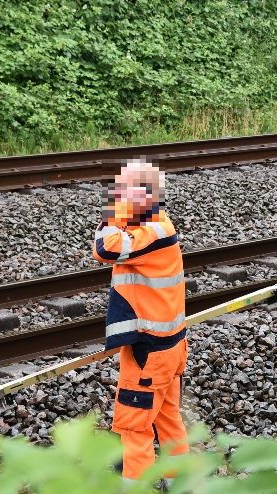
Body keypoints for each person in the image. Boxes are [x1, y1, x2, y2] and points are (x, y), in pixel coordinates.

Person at [92, 159, 188, 481]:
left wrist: (111, 213)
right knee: (167, 418)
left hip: (149, 350)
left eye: (122, 189)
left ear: (146, 195)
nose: (115, 195)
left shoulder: (152, 231)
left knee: (134, 427)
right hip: (169, 346)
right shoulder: (155, 223)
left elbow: (105, 247)